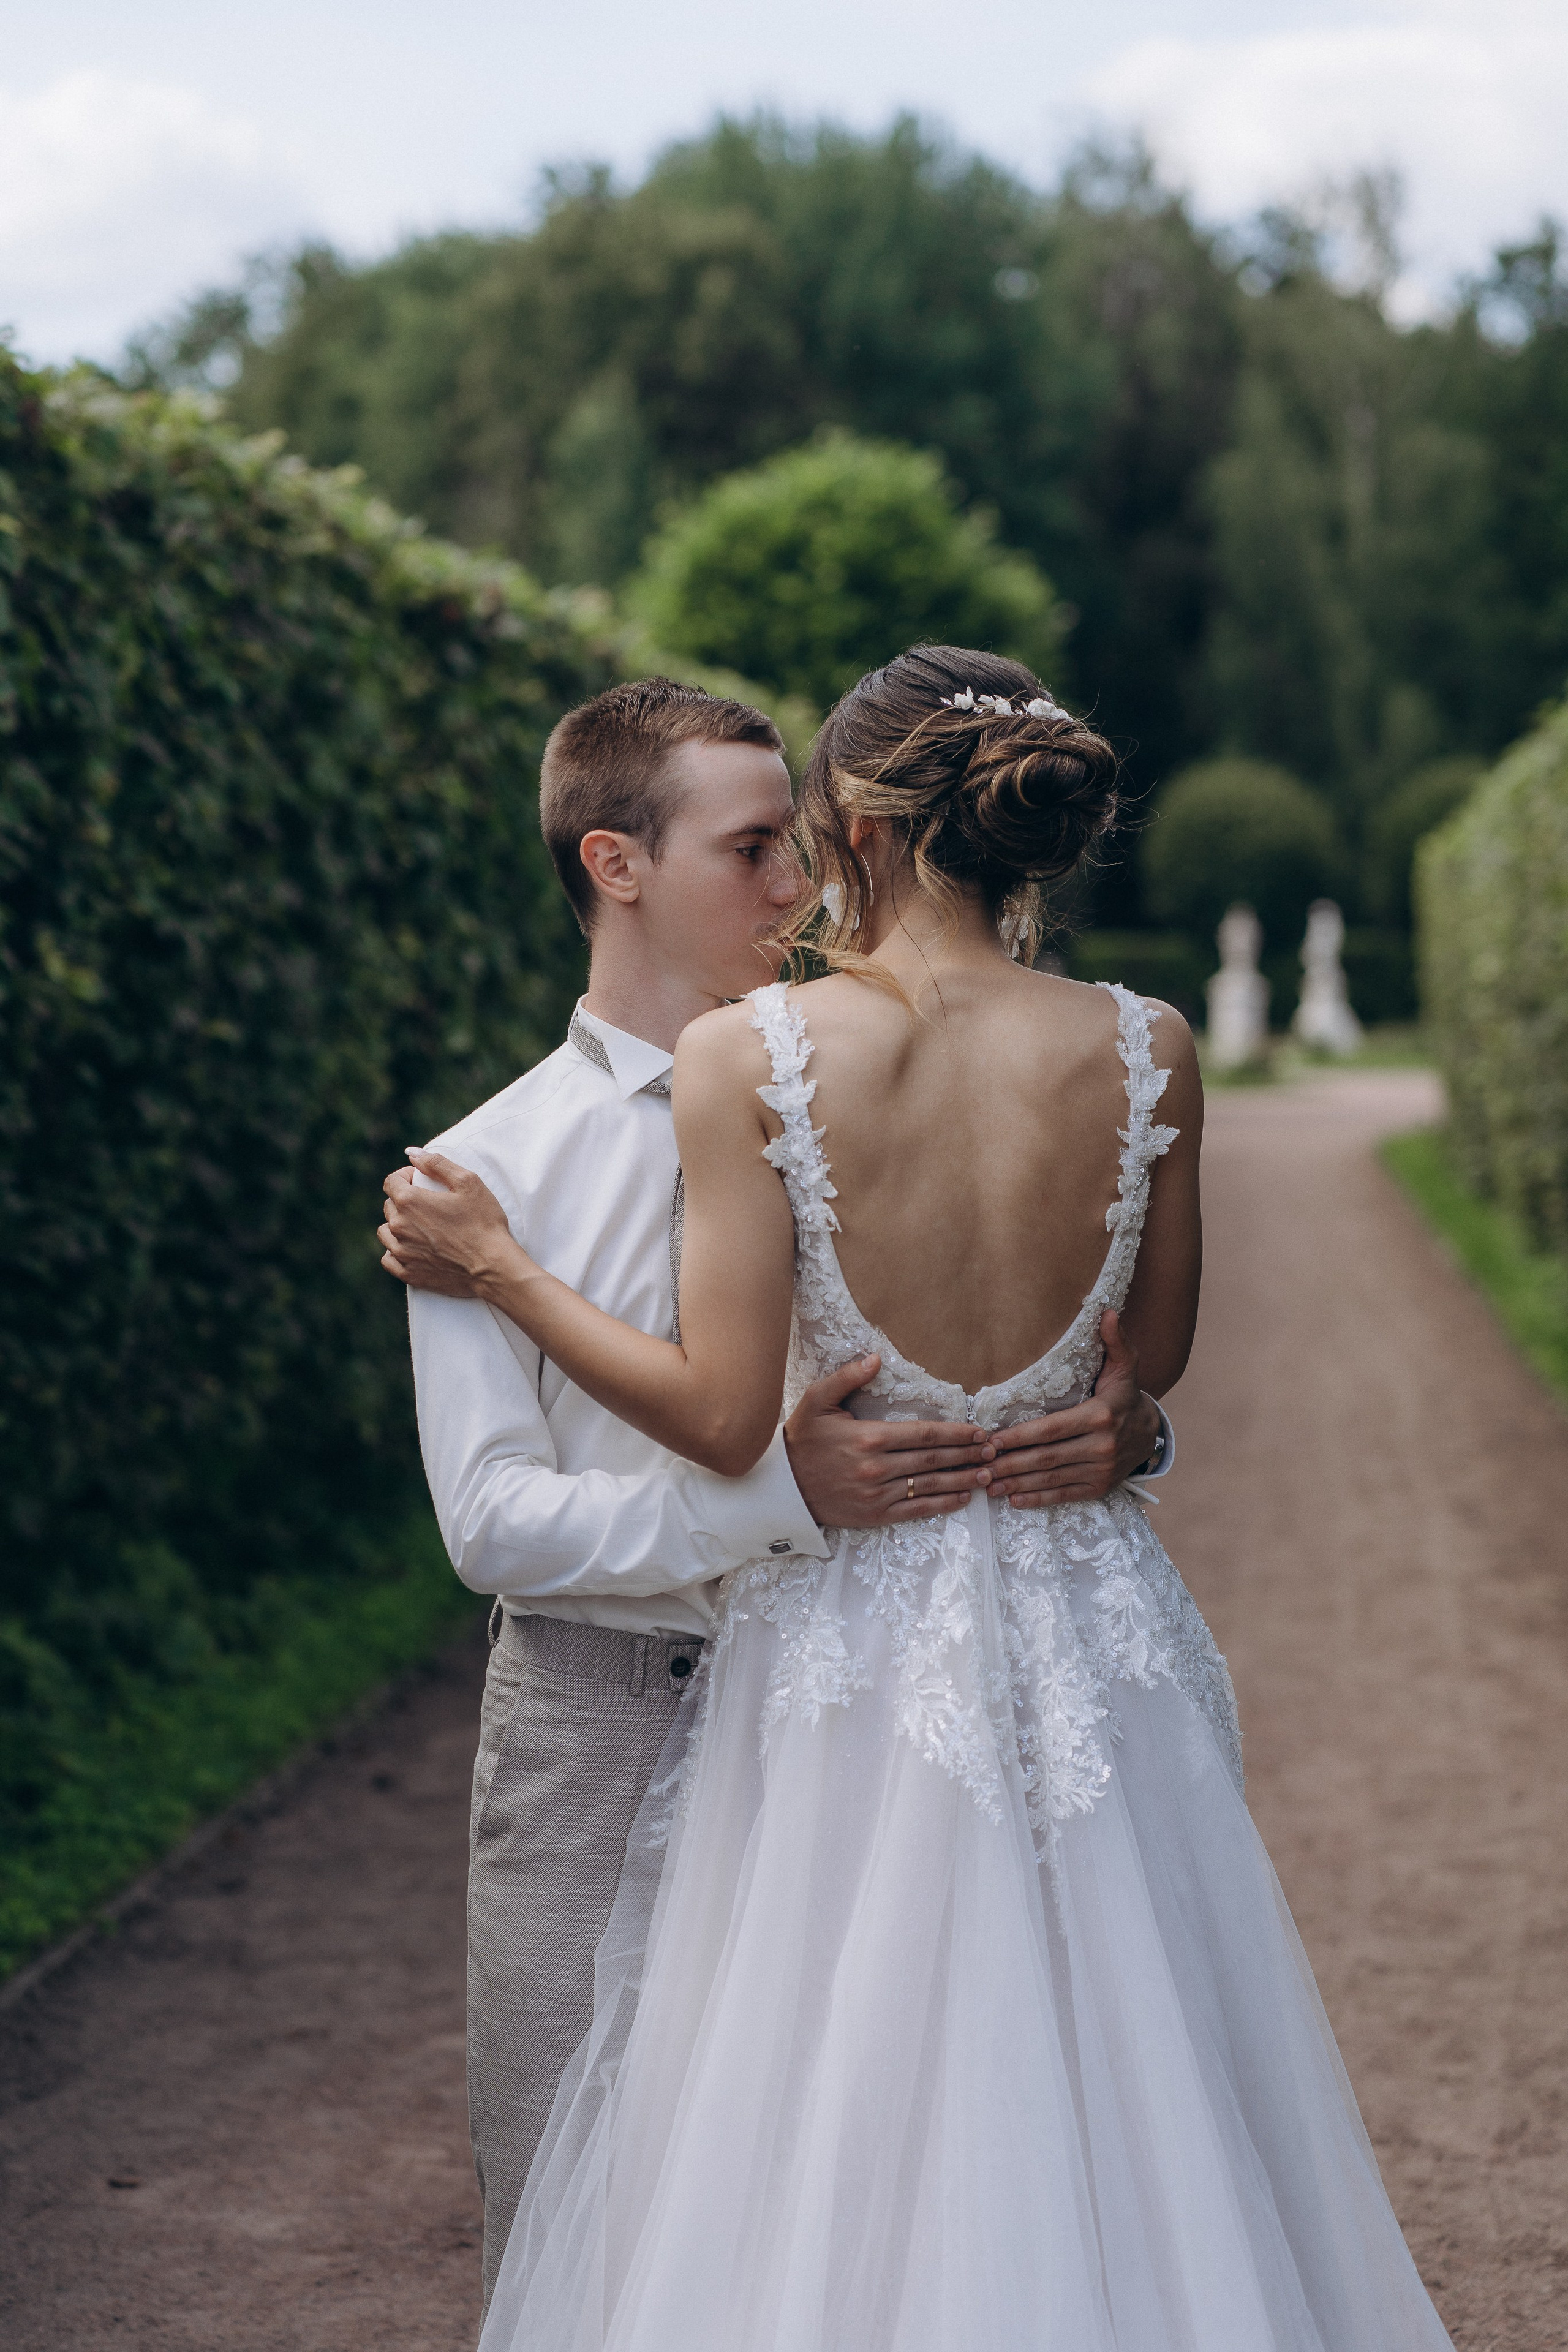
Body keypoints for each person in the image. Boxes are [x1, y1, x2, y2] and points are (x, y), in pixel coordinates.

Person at [383, 647, 1453, 2350]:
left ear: (865, 820)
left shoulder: (762, 1058)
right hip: (1087, 1629)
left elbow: (731, 1416)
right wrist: (1110, 1432)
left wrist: (509, 1278)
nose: (794, 877)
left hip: (854, 1654)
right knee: (1137, 2073)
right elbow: (1141, 1364)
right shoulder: (1150, 1044)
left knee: (819, 2117)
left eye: (800, 835)